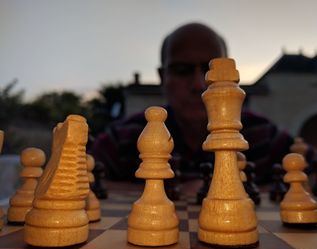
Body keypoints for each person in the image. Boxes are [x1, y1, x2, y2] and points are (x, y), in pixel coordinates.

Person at [90, 22, 294, 184]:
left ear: (229, 74)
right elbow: (78, 173)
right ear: (162, 77)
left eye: (210, 70)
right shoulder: (126, 139)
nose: (198, 85)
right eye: (182, 70)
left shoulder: (263, 135)